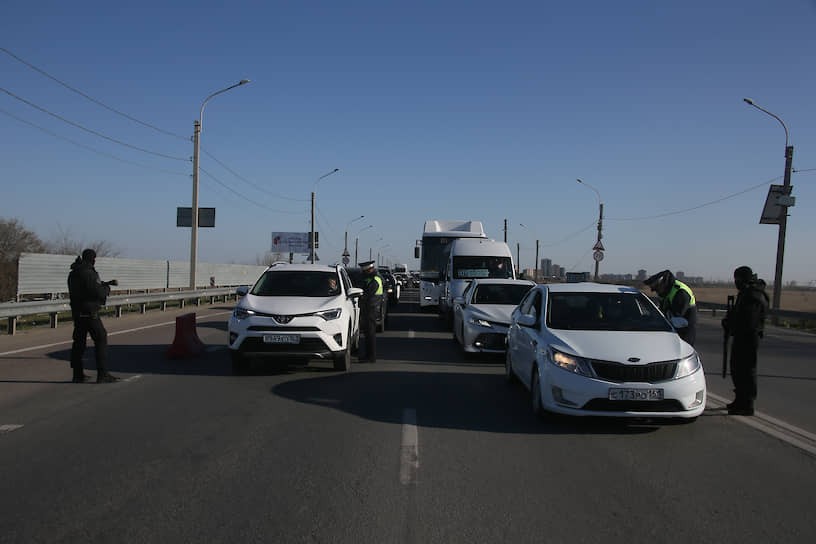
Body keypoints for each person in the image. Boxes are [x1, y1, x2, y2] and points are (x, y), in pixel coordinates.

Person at [722, 265, 769, 416]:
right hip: (743, 337)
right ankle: (740, 400)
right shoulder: (747, 293)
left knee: (746, 371)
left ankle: (747, 403)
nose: (736, 282)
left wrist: (731, 324)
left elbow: (748, 321)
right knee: (737, 369)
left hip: (748, 338)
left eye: (737, 279)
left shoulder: (753, 295)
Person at [67, 249, 118, 383]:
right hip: (90, 313)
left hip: (77, 313)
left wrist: (102, 285)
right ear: (93, 259)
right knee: (101, 339)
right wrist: (106, 289)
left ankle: (77, 375)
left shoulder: (73, 274)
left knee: (78, 344)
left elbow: (84, 290)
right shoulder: (89, 273)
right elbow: (97, 293)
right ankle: (103, 374)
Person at [643, 269, 698, 346]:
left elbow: (677, 316)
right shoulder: (665, 292)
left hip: (684, 329)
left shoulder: (680, 292)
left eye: (657, 289)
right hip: (672, 329)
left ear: (663, 284)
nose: (656, 292)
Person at [358, 260, 383, 362]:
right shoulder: (370, 279)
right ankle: (368, 356)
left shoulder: (374, 280)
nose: (363, 273)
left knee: (370, 334)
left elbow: (367, 295)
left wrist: (361, 298)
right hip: (370, 309)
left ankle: (371, 357)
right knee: (368, 334)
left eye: (365, 271)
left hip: (371, 309)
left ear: (370, 270)